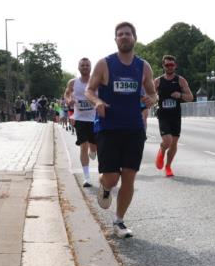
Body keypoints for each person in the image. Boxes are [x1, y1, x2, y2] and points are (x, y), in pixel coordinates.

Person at [85, 22, 157, 238]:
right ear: (115, 39)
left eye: (128, 34)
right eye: (120, 34)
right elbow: (89, 90)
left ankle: (119, 221)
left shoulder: (143, 67)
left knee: (129, 176)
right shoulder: (104, 64)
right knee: (112, 178)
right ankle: (104, 186)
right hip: (108, 127)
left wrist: (150, 99)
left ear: (134, 37)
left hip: (134, 127)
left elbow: (153, 93)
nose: (124, 37)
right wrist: (97, 102)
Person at [154, 55, 194, 177]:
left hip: (175, 115)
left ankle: (168, 167)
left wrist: (180, 95)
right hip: (163, 114)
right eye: (167, 65)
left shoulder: (180, 80)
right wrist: (155, 98)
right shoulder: (158, 81)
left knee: (174, 143)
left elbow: (190, 97)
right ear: (163, 66)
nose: (169, 67)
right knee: (167, 140)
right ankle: (161, 150)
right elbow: (150, 94)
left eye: (171, 65)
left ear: (175, 66)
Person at [64, 58, 99, 187]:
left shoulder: (96, 82)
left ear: (91, 67)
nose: (85, 67)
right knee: (83, 146)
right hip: (80, 118)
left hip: (94, 118)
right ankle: (87, 177)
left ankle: (93, 150)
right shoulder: (73, 83)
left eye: (87, 65)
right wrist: (68, 101)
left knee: (94, 148)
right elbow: (67, 94)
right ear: (79, 68)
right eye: (82, 65)